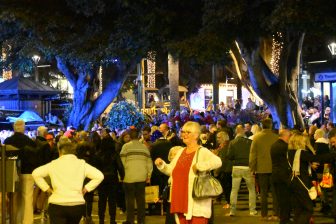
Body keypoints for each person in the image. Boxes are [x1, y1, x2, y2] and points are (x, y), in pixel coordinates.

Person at [155, 121, 222, 223]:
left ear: (196, 135)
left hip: (196, 203)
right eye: (183, 132)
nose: (184, 134)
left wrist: (200, 166)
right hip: (179, 199)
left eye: (188, 132)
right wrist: (162, 165)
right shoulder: (181, 151)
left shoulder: (202, 151)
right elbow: (172, 171)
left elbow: (218, 162)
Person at [32, 136, 104, 224]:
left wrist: (46, 188)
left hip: (57, 203)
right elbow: (99, 176)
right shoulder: (82, 164)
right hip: (77, 204)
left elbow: (36, 173)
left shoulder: (53, 164)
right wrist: (87, 188)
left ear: (60, 152)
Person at [287, 133, 336, 223]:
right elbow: (317, 158)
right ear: (299, 142)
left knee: (298, 209)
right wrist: (332, 155)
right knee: (308, 209)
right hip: (301, 183)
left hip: (293, 182)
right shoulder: (301, 152)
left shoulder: (290, 152)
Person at [4, 119, 37, 224]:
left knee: (14, 198)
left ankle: (15, 220)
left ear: (14, 128)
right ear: (23, 128)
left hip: (12, 173)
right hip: (27, 172)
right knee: (27, 198)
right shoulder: (30, 141)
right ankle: (27, 221)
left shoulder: (7, 141)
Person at [120, 128, 153, 224]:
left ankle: (130, 220)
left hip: (128, 177)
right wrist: (148, 175)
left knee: (129, 200)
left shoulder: (125, 147)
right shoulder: (144, 148)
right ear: (139, 136)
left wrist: (121, 176)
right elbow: (149, 163)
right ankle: (141, 221)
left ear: (130, 136)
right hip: (141, 177)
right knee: (141, 200)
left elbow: (122, 163)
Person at [249, 118, 279, 220]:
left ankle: (264, 214)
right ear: (271, 125)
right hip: (274, 168)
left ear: (262, 126)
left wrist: (252, 168)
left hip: (261, 169)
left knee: (263, 193)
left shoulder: (256, 138)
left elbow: (253, 155)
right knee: (275, 193)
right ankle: (276, 213)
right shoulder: (276, 137)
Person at [227, 125, 257, 216]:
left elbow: (229, 156)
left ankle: (232, 211)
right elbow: (253, 155)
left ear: (236, 132)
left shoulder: (232, 142)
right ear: (244, 131)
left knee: (234, 190)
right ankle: (252, 210)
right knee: (251, 189)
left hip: (236, 167)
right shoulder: (250, 142)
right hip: (247, 167)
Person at [270, 129, 292, 224]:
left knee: (280, 199)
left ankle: (283, 218)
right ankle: (285, 220)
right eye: (289, 136)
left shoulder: (274, 145)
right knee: (285, 200)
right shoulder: (285, 147)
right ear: (285, 136)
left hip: (275, 175)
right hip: (284, 176)